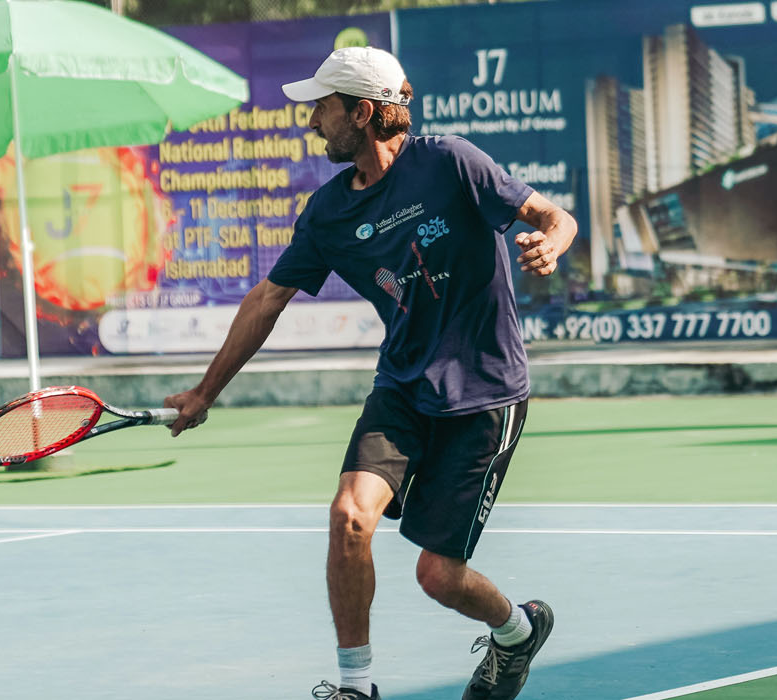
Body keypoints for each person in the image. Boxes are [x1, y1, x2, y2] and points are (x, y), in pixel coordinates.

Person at [162, 47, 578, 700]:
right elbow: (267, 298)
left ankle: (517, 633)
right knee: (349, 519)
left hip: (486, 395)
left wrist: (549, 243)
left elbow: (555, 216)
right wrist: (205, 392)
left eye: (323, 108)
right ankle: (356, 687)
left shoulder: (452, 163)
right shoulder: (329, 213)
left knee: (438, 577)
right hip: (403, 390)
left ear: (362, 112)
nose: (312, 122)